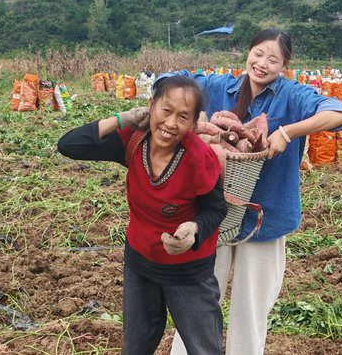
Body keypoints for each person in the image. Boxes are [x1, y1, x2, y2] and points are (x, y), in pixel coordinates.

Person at [168, 28, 342, 355]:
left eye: (273, 59)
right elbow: (170, 80)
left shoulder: (292, 95)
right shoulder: (218, 86)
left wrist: (288, 132)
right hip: (213, 217)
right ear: (248, 52)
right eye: (258, 54)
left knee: (250, 313)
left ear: (284, 65)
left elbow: (341, 114)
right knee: (197, 305)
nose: (262, 64)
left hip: (265, 218)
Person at [57, 75, 227, 355]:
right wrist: (120, 119)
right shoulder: (133, 141)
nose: (170, 123)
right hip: (140, 264)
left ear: (193, 124)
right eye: (165, 110)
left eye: (183, 117)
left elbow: (216, 209)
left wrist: (194, 229)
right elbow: (69, 145)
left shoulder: (199, 157)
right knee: (135, 347)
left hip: (188, 272)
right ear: (150, 106)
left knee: (203, 349)